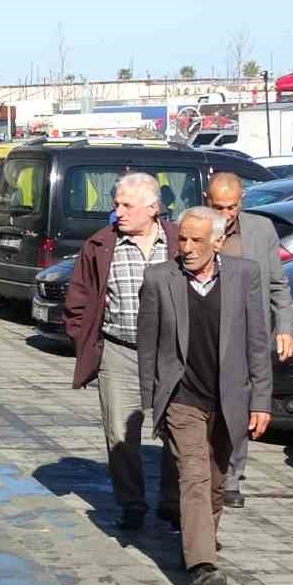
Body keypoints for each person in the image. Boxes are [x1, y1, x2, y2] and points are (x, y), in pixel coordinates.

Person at [138, 207, 272, 585]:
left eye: (198, 240)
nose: (188, 247)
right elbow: (148, 344)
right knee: (193, 476)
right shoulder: (160, 278)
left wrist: (261, 400)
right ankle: (201, 567)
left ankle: (198, 548)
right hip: (182, 397)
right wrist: (153, 400)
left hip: (229, 399)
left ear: (218, 241)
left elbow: (257, 343)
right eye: (183, 239)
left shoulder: (244, 275)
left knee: (215, 485)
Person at [61, 173, 180, 530]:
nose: (118, 212)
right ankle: (132, 503)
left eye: (127, 205)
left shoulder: (177, 241)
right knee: (119, 432)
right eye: (116, 204)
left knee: (177, 430)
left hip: (170, 355)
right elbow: (78, 299)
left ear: (153, 208)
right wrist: (84, 338)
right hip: (119, 349)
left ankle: (174, 502)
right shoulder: (100, 244)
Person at [204, 173, 293, 509]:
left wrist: (285, 326)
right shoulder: (194, 227)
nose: (226, 214)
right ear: (205, 200)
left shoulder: (261, 230)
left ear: (242, 201)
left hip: (246, 332)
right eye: (218, 207)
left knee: (239, 406)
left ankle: (231, 477)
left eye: (232, 206)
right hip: (205, 331)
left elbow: (278, 284)